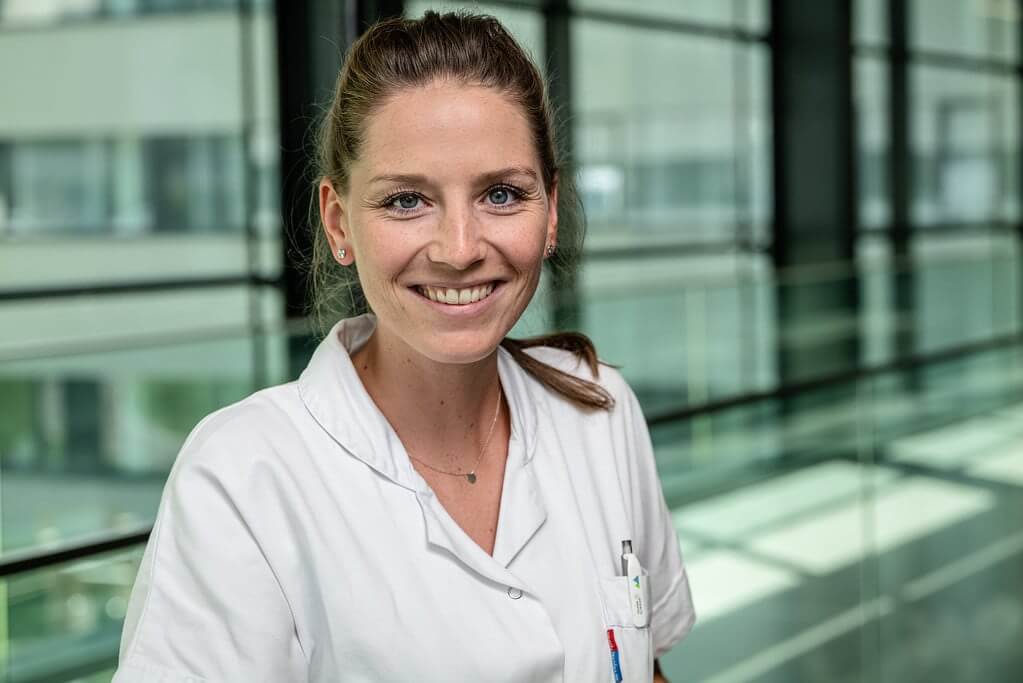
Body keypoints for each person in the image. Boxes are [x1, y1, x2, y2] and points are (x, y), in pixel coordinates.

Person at [112, 10, 695, 682]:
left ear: (552, 209)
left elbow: (646, 665)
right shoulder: (242, 477)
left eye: (501, 194)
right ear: (339, 223)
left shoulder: (599, 408)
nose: (459, 249)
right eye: (407, 201)